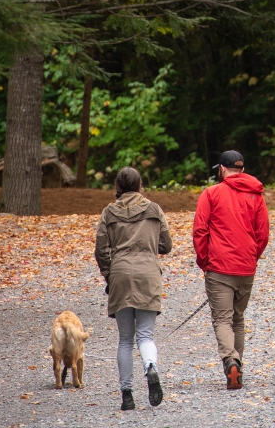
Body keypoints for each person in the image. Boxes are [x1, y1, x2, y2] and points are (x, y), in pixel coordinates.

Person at [95, 166, 172, 411]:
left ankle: (127, 394)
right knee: (146, 336)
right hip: (148, 273)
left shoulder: (109, 212)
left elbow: (100, 250)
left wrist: (109, 273)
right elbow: (166, 245)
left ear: (118, 186)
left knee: (125, 340)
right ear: (139, 185)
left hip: (119, 274)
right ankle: (150, 367)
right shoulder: (154, 209)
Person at [192, 149, 270, 390]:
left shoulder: (211, 194)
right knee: (237, 318)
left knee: (222, 319)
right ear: (242, 170)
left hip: (219, 267)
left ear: (222, 169)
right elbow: (263, 233)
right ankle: (238, 366)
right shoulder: (257, 195)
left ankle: (231, 360)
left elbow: (200, 231)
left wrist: (205, 261)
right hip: (246, 267)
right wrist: (251, 257)